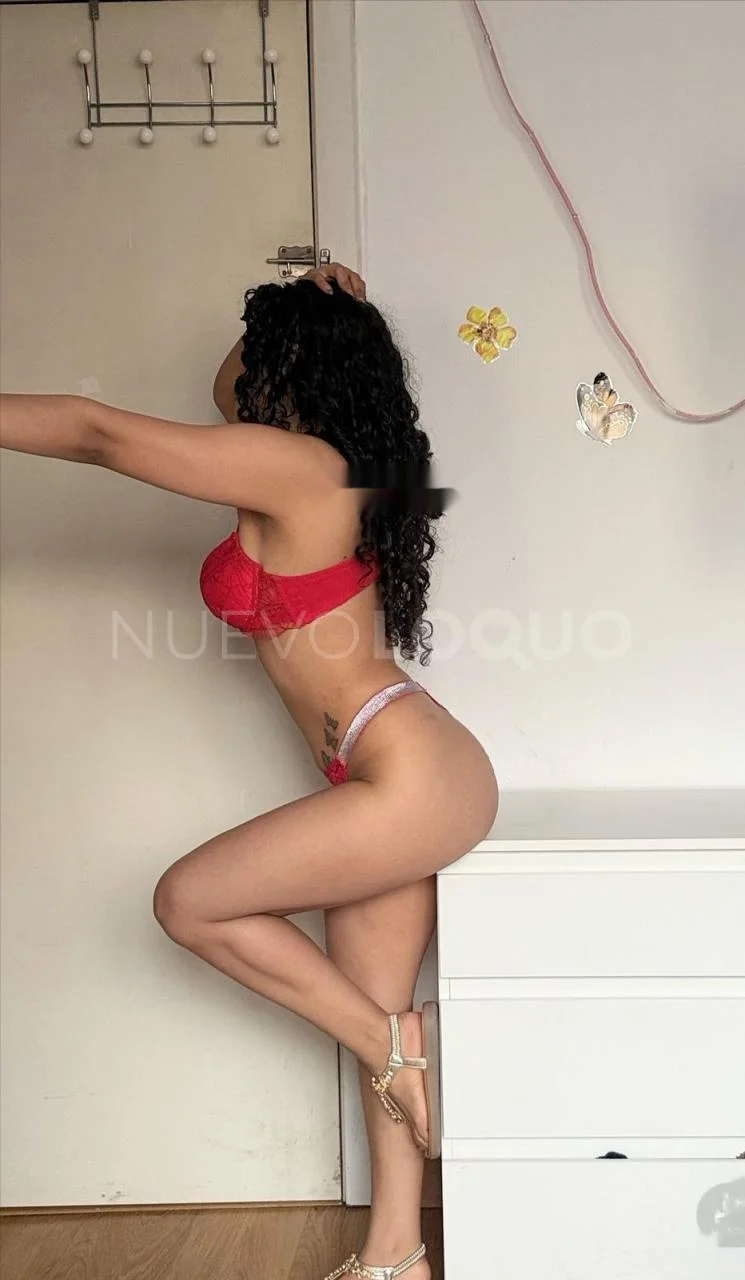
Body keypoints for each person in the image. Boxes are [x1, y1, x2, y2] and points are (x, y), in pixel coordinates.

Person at [0, 262, 498, 1280]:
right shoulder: (317, 458)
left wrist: (289, 319)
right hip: (385, 769)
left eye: (266, 349)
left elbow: (96, 433)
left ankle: (402, 1048)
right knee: (374, 1014)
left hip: (410, 773)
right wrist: (311, 299)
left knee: (189, 901)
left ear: (294, 365)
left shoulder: (297, 465)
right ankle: (395, 1255)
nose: (245, 374)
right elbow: (226, 387)